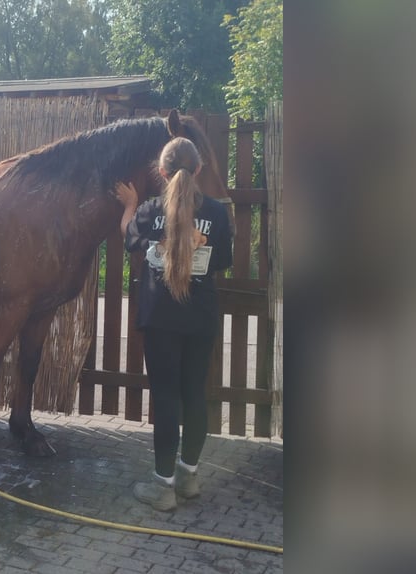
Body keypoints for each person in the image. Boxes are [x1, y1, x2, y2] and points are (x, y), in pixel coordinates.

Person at [115, 137, 233, 511]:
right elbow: (223, 261)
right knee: (195, 395)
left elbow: (129, 240)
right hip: (199, 318)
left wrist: (131, 206)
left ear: (162, 173)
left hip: (161, 319)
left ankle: (163, 487)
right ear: (198, 170)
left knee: (165, 397)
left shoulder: (150, 211)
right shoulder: (216, 213)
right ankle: (189, 475)